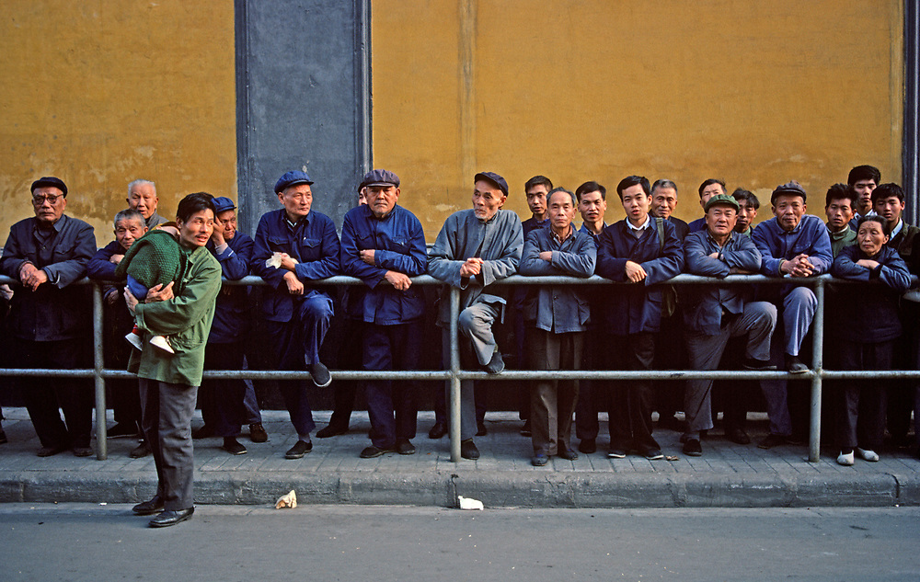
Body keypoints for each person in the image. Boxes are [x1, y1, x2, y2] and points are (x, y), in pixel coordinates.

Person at [125, 192, 222, 528]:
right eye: (198, 221)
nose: (205, 229)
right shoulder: (166, 251)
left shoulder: (209, 266)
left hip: (181, 355)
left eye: (210, 223)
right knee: (152, 426)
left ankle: (181, 502)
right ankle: (165, 493)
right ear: (179, 223)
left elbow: (185, 312)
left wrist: (140, 308)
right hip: (151, 353)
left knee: (175, 430)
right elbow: (139, 277)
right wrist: (149, 297)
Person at [428, 171, 523, 460]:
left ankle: (491, 353)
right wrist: (460, 268)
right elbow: (433, 261)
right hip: (453, 303)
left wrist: (482, 269)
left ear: (502, 201)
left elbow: (514, 261)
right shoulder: (456, 221)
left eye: (487, 197)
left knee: (470, 318)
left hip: (487, 301)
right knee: (456, 373)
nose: (479, 201)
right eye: (476, 194)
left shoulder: (511, 222)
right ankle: (464, 438)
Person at [0, 176, 96, 457]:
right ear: (32, 203)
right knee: (33, 384)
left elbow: (84, 261)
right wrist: (23, 265)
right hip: (27, 322)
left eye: (52, 198)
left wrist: (47, 273)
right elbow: (6, 258)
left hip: (66, 322)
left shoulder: (81, 230)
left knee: (73, 384)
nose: (46, 204)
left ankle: (80, 440)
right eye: (39, 199)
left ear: (63, 202)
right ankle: (51, 440)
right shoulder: (18, 230)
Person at [250, 170, 340, 459]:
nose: (304, 200)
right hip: (279, 306)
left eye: (308, 195)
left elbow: (333, 263)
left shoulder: (323, 224)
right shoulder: (268, 223)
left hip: (313, 295)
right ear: (282, 198)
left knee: (319, 309)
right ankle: (303, 436)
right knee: (288, 371)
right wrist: (286, 275)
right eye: (298, 195)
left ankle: (313, 359)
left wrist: (299, 269)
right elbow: (259, 260)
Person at [595, 175, 683, 460]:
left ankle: (645, 440)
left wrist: (642, 271)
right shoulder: (612, 232)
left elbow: (674, 260)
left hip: (647, 315)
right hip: (615, 316)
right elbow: (601, 260)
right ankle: (619, 440)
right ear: (622, 203)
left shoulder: (665, 229)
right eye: (627, 199)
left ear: (648, 199)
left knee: (642, 382)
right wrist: (624, 265)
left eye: (638, 198)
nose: (634, 204)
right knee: (616, 380)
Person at [680, 194, 777, 456]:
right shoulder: (694, 238)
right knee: (700, 380)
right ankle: (692, 434)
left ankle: (755, 359)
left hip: (734, 315)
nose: (722, 218)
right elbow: (697, 263)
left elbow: (756, 263)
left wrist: (720, 259)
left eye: (728, 214)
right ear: (707, 217)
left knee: (766, 311)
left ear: (736, 219)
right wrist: (734, 267)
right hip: (704, 321)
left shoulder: (744, 240)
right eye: (717, 213)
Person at [340, 169, 427, 458]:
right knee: (376, 376)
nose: (380, 196)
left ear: (396, 194)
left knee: (407, 375)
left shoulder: (409, 220)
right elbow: (348, 262)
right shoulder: (353, 219)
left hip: (407, 312)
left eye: (386, 190)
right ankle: (382, 437)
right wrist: (387, 274)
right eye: (374, 190)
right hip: (371, 312)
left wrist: (379, 257)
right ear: (364, 194)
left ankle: (404, 436)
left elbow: (418, 264)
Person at [752, 180, 832, 448]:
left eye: (795, 206)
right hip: (771, 310)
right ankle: (779, 430)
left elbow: (826, 258)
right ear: (773, 209)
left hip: (803, 316)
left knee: (803, 293)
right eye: (782, 206)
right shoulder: (762, 230)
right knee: (772, 374)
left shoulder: (815, 225)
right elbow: (759, 260)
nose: (789, 211)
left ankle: (794, 354)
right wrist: (785, 265)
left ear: (804, 208)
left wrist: (807, 265)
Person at [520, 187, 596, 465]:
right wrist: (567, 266)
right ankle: (543, 446)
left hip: (575, 320)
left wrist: (553, 257)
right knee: (542, 384)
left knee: (570, 385)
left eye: (566, 207)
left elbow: (588, 266)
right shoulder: (535, 236)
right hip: (543, 318)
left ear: (574, 211)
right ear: (547, 210)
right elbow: (526, 266)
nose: (560, 212)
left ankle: (563, 441)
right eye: (555, 207)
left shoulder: (584, 238)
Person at [830, 215, 911, 465]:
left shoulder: (891, 256)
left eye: (874, 233)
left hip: (884, 332)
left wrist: (875, 268)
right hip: (849, 331)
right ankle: (847, 445)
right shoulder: (849, 252)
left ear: (885, 238)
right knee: (848, 387)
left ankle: (869, 443)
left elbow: (903, 280)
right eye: (862, 232)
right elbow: (840, 268)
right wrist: (869, 271)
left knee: (877, 388)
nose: (867, 237)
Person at [195, 196, 263, 455]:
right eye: (222, 222)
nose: (229, 226)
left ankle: (231, 434)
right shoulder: (200, 242)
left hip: (231, 323)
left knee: (230, 381)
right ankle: (211, 424)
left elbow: (237, 272)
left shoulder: (242, 241)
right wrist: (216, 284)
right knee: (207, 380)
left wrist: (221, 242)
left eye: (232, 220)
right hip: (201, 321)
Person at [87, 208, 149, 456]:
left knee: (145, 381)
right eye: (121, 230)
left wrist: (121, 264)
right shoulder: (109, 248)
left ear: (144, 230)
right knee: (122, 376)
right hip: (119, 327)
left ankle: (149, 437)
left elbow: (148, 273)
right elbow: (93, 267)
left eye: (133, 229)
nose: (127, 236)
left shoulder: (152, 246)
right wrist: (124, 272)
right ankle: (129, 424)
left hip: (148, 324)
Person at [870, 182, 920, 450]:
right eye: (881, 204)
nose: (886, 209)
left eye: (892, 203)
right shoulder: (866, 234)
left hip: (910, 319)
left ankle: (899, 434)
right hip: (878, 318)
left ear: (902, 205)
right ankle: (878, 436)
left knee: (905, 377)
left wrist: (885, 274)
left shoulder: (915, 237)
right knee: (878, 378)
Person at [316, 186, 369, 439]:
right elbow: (345, 261)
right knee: (347, 363)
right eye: (360, 196)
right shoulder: (352, 225)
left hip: (385, 309)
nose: (364, 201)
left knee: (381, 368)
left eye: (366, 195)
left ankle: (380, 423)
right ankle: (340, 420)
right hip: (354, 308)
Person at [510, 175, 553, 438]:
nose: (536, 201)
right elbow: (518, 262)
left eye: (540, 195)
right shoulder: (521, 228)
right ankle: (528, 416)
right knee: (525, 358)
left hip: (553, 303)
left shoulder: (563, 226)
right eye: (530, 196)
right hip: (524, 302)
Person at [649, 178, 690, 431]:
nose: (664, 204)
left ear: (676, 203)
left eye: (669, 199)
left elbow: (682, 262)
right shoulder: (638, 225)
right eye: (659, 198)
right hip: (644, 302)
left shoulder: (683, 228)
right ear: (650, 199)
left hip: (673, 306)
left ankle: (667, 413)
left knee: (671, 358)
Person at [573, 180, 608, 454]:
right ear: (578, 208)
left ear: (605, 205)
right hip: (582, 316)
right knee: (585, 380)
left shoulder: (616, 236)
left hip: (614, 316)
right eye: (586, 203)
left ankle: (622, 435)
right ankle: (587, 435)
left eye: (597, 202)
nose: (592, 208)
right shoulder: (574, 238)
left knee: (620, 377)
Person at [115, 222, 183, 354]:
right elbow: (167, 270)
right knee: (166, 301)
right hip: (148, 286)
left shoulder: (148, 237)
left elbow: (129, 254)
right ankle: (161, 335)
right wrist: (165, 287)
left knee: (140, 305)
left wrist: (120, 271)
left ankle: (135, 333)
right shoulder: (172, 246)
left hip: (132, 282)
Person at [824, 184, 857, 257]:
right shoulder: (814, 236)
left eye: (844, 209)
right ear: (826, 210)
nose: (838, 213)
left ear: (852, 214)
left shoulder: (856, 241)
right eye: (834, 207)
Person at [846, 165, 880, 230]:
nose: (866, 192)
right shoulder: (843, 220)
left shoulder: (883, 219)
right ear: (850, 188)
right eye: (860, 187)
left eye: (870, 187)